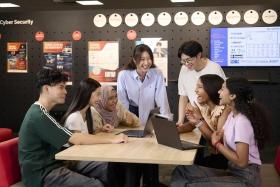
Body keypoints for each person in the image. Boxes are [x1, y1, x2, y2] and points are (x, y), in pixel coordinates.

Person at [19, 68, 128, 187]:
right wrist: (112, 140)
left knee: (108, 169)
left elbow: (73, 136)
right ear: (46, 89)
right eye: (61, 87)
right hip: (42, 174)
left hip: (55, 165)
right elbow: (76, 138)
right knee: (96, 185)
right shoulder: (38, 115)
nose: (65, 91)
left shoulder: (42, 113)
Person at [171, 77, 271, 187]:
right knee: (181, 171)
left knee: (189, 184)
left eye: (222, 89)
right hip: (233, 170)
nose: (219, 91)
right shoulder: (232, 116)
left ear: (232, 96)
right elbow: (217, 135)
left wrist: (217, 144)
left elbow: (242, 162)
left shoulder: (242, 122)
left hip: (246, 179)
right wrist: (199, 122)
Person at [115, 44, 172, 187]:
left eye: (149, 59)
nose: (146, 63)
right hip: (130, 118)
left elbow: (162, 101)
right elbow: (122, 103)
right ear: (134, 60)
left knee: (151, 162)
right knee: (131, 162)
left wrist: (166, 127)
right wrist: (127, 122)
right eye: (142, 59)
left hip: (150, 120)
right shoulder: (124, 75)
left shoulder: (157, 73)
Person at [177, 74, 230, 169]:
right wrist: (173, 130)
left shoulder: (224, 110)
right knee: (184, 167)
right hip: (216, 157)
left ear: (211, 89)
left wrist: (198, 121)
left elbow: (217, 140)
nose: (195, 90)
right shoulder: (206, 108)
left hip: (225, 160)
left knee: (184, 169)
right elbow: (191, 125)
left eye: (200, 87)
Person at [177, 40, 226, 126]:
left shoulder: (214, 68)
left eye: (188, 60)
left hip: (214, 121)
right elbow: (183, 96)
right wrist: (180, 121)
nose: (186, 64)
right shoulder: (184, 69)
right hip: (195, 120)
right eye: (183, 61)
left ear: (199, 55)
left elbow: (224, 95)